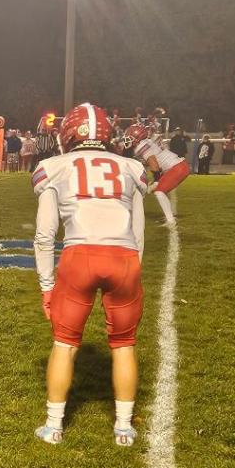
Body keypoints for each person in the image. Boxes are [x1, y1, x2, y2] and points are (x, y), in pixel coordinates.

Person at [31, 103, 149, 446]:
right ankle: (123, 428)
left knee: (64, 345)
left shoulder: (54, 167)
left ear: (68, 134)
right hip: (124, 257)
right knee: (124, 344)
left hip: (79, 255)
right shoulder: (130, 167)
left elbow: (44, 234)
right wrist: (133, 267)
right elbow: (138, 233)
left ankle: (54, 427)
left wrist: (46, 286)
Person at [120, 123, 189, 227]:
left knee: (159, 192)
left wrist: (156, 181)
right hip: (178, 166)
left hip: (177, 168)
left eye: (130, 136)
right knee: (158, 190)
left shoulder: (141, 146)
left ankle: (171, 221)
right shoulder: (145, 142)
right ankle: (169, 217)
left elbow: (154, 164)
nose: (127, 138)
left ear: (138, 136)